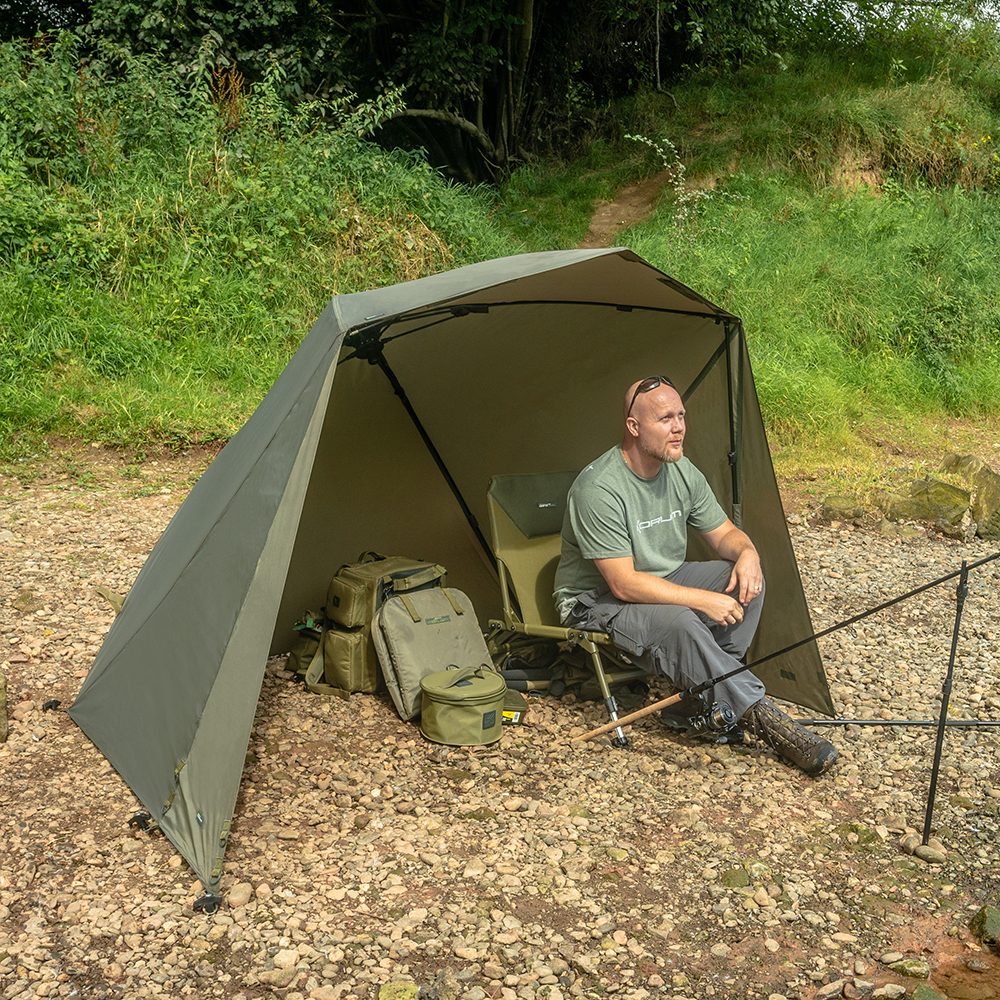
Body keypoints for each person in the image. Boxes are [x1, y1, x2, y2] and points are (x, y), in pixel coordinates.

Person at [553, 375, 837, 777]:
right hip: (595, 600)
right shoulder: (599, 488)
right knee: (681, 618)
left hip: (661, 577)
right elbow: (623, 583)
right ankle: (771, 724)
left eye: (681, 416)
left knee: (740, 580)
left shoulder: (682, 470)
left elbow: (724, 535)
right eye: (665, 418)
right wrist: (700, 599)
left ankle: (699, 702)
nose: (679, 427)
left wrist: (749, 554)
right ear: (634, 427)